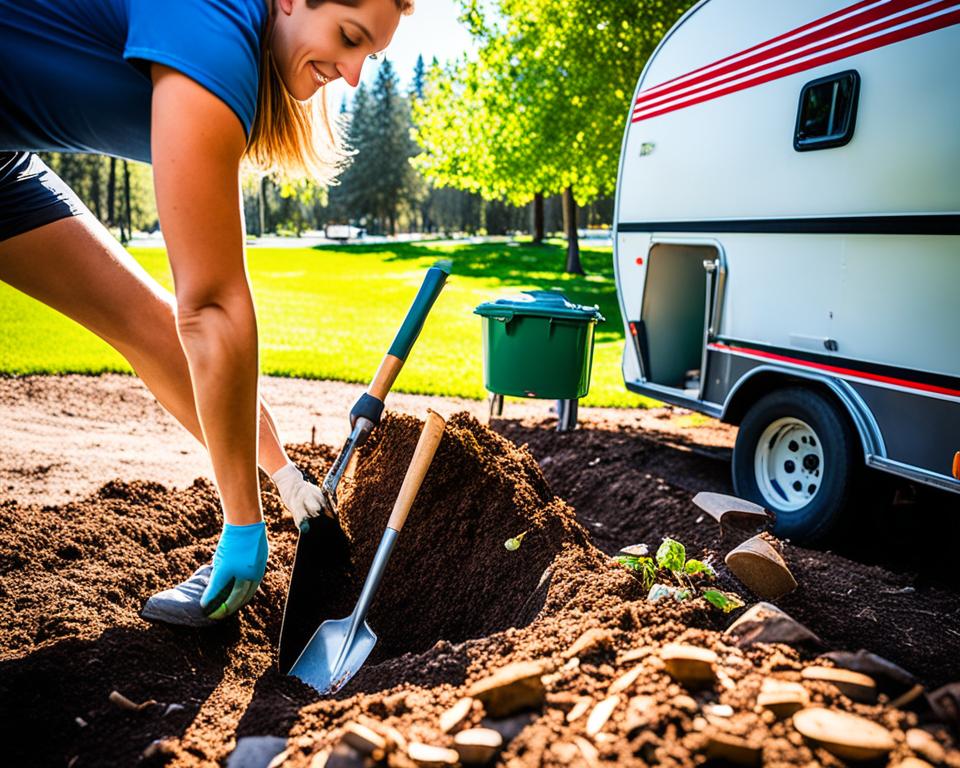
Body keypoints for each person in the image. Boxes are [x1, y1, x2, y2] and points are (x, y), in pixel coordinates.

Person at [0, 0, 413, 624]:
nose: (354, 75)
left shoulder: (241, 57)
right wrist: (243, 523)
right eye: (349, 38)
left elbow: (173, 336)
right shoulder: (210, 21)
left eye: (369, 56)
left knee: (145, 323)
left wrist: (283, 478)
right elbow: (212, 306)